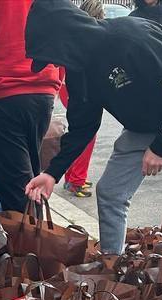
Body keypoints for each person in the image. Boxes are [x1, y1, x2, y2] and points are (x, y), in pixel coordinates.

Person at [25, 0, 162, 260]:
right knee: (110, 191)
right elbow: (83, 126)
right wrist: (52, 173)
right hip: (144, 124)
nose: (53, 63)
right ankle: (111, 265)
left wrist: (160, 147)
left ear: (65, 41)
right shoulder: (79, 68)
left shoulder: (130, 39)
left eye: (52, 56)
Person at [0, 0, 62, 212]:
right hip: (42, 90)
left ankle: (29, 244)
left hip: (1, 93)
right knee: (29, 184)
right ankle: (34, 239)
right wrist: (55, 81)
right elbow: (62, 27)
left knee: (18, 194)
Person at [60, 0, 105, 198]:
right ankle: (76, 181)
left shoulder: (72, 32)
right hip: (81, 90)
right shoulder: (91, 35)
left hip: (68, 88)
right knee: (87, 135)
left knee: (77, 132)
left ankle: (71, 177)